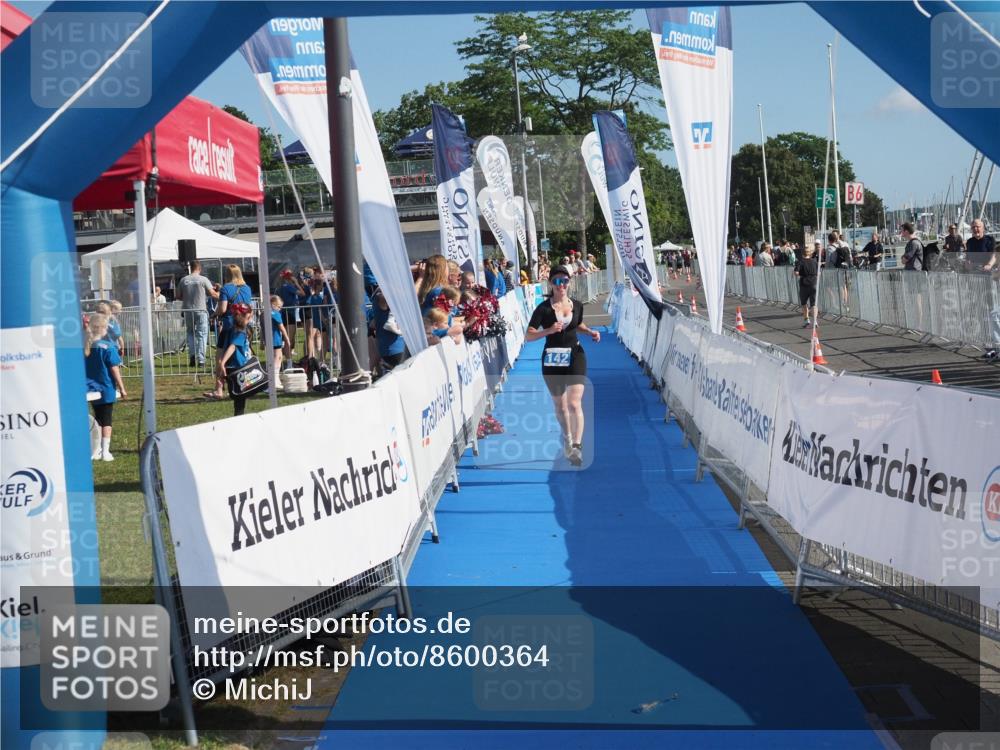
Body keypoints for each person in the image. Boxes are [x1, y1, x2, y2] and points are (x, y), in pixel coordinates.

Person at [525, 265, 601, 467]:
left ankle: (577, 446)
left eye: (565, 281)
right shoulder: (543, 309)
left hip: (575, 354)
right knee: (560, 405)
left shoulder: (577, 305)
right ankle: (567, 439)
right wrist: (548, 330)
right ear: (551, 283)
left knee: (574, 403)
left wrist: (590, 332)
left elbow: (577, 325)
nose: (561, 285)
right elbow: (528, 335)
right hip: (552, 358)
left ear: (569, 282)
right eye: (557, 281)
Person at [84, 313, 126, 462]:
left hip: (90, 388)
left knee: (98, 419)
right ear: (103, 328)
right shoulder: (108, 347)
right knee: (107, 420)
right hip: (106, 387)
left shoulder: (86, 346)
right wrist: (122, 388)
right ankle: (105, 452)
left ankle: (97, 450)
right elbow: (114, 369)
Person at [205, 264, 252, 399]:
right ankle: (243, 385)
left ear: (227, 275)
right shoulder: (247, 288)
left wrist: (214, 314)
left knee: (220, 357)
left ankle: (219, 389)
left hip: (228, 325)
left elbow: (222, 309)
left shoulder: (226, 288)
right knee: (241, 357)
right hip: (243, 325)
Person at [177, 260, 219, 368]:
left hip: (187, 311)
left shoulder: (183, 280)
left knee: (190, 333)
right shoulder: (203, 279)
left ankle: (192, 356)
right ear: (199, 268)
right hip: (201, 310)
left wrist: (187, 297)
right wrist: (223, 297)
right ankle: (201, 360)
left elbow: (178, 296)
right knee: (202, 335)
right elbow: (213, 294)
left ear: (191, 268)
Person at [217, 302, 254, 416]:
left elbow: (223, 348)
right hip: (239, 367)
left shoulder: (230, 330)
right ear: (247, 316)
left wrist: (221, 363)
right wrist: (222, 363)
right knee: (240, 399)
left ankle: (238, 416)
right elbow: (233, 347)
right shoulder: (240, 332)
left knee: (238, 396)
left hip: (231, 367)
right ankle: (239, 418)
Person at [277, 269, 303, 360]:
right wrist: (297, 283)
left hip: (283, 313)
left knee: (287, 338)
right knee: (289, 339)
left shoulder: (280, 287)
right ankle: (288, 361)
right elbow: (302, 293)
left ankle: (287, 359)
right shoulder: (288, 286)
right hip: (289, 313)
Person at [795, 243, 820, 328]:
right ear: (810, 253)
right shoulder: (814, 261)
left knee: (804, 303)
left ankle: (807, 320)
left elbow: (796, 272)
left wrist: (800, 274)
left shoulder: (800, 262)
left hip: (804, 284)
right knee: (814, 304)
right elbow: (819, 273)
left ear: (802, 253)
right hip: (813, 284)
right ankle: (815, 321)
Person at [269, 295, 289, 382]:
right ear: (273, 304)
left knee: (276, 357)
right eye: (279, 307)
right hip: (276, 339)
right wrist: (287, 338)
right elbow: (282, 327)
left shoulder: (266, 313)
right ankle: (275, 378)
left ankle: (274, 377)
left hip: (269, 339)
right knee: (278, 358)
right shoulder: (276, 314)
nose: (280, 309)